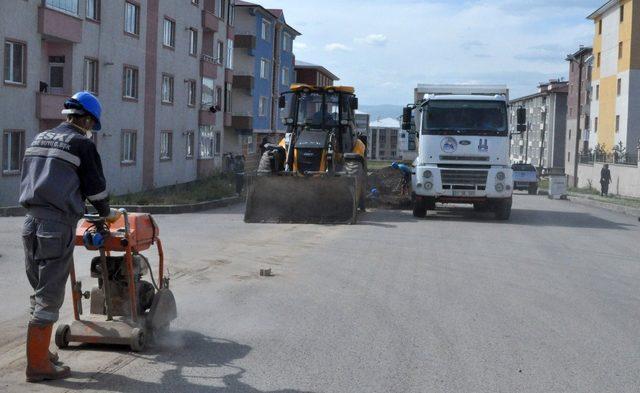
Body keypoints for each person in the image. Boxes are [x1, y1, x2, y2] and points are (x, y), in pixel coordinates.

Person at [19, 91, 120, 382]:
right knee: (49, 297)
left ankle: (40, 352)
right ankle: (38, 366)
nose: (91, 128)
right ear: (87, 119)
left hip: (29, 223)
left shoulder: (40, 138)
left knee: (39, 292)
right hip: (56, 225)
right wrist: (105, 212)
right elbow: (96, 189)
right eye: (91, 123)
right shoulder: (81, 144)